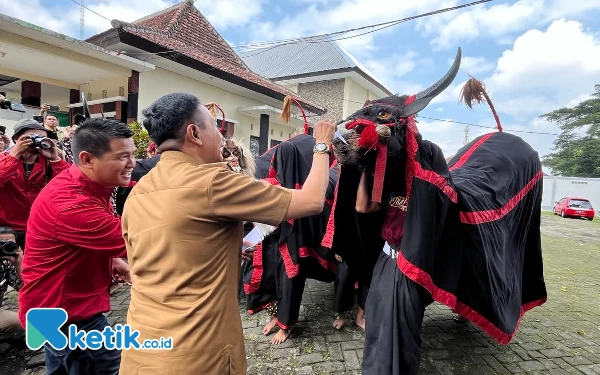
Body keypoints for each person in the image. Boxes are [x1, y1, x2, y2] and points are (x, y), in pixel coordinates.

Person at [119, 92, 336, 375]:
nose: (222, 137)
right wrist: (321, 145)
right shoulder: (212, 181)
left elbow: (157, 258)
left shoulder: (139, 192)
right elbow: (311, 201)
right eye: (215, 127)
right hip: (195, 352)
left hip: (143, 347)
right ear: (194, 133)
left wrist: (227, 249)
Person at [18, 118, 134, 375]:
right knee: (113, 367)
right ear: (88, 159)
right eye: (122, 156)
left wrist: (111, 259)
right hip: (69, 315)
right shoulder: (71, 203)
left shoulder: (83, 183)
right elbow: (136, 241)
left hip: (53, 309)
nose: (132, 164)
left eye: (133, 155)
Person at [0, 119, 69, 249]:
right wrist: (14, 155)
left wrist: (55, 159)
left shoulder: (49, 162)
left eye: (42, 137)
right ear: (16, 139)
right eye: (31, 137)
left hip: (40, 227)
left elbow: (69, 186)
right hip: (7, 229)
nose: (36, 141)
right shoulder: (4, 158)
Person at [0, 226, 24, 341]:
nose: (5, 247)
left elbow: (24, 288)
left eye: (10, 244)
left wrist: (19, 265)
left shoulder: (7, 263)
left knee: (25, 321)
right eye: (1, 243)